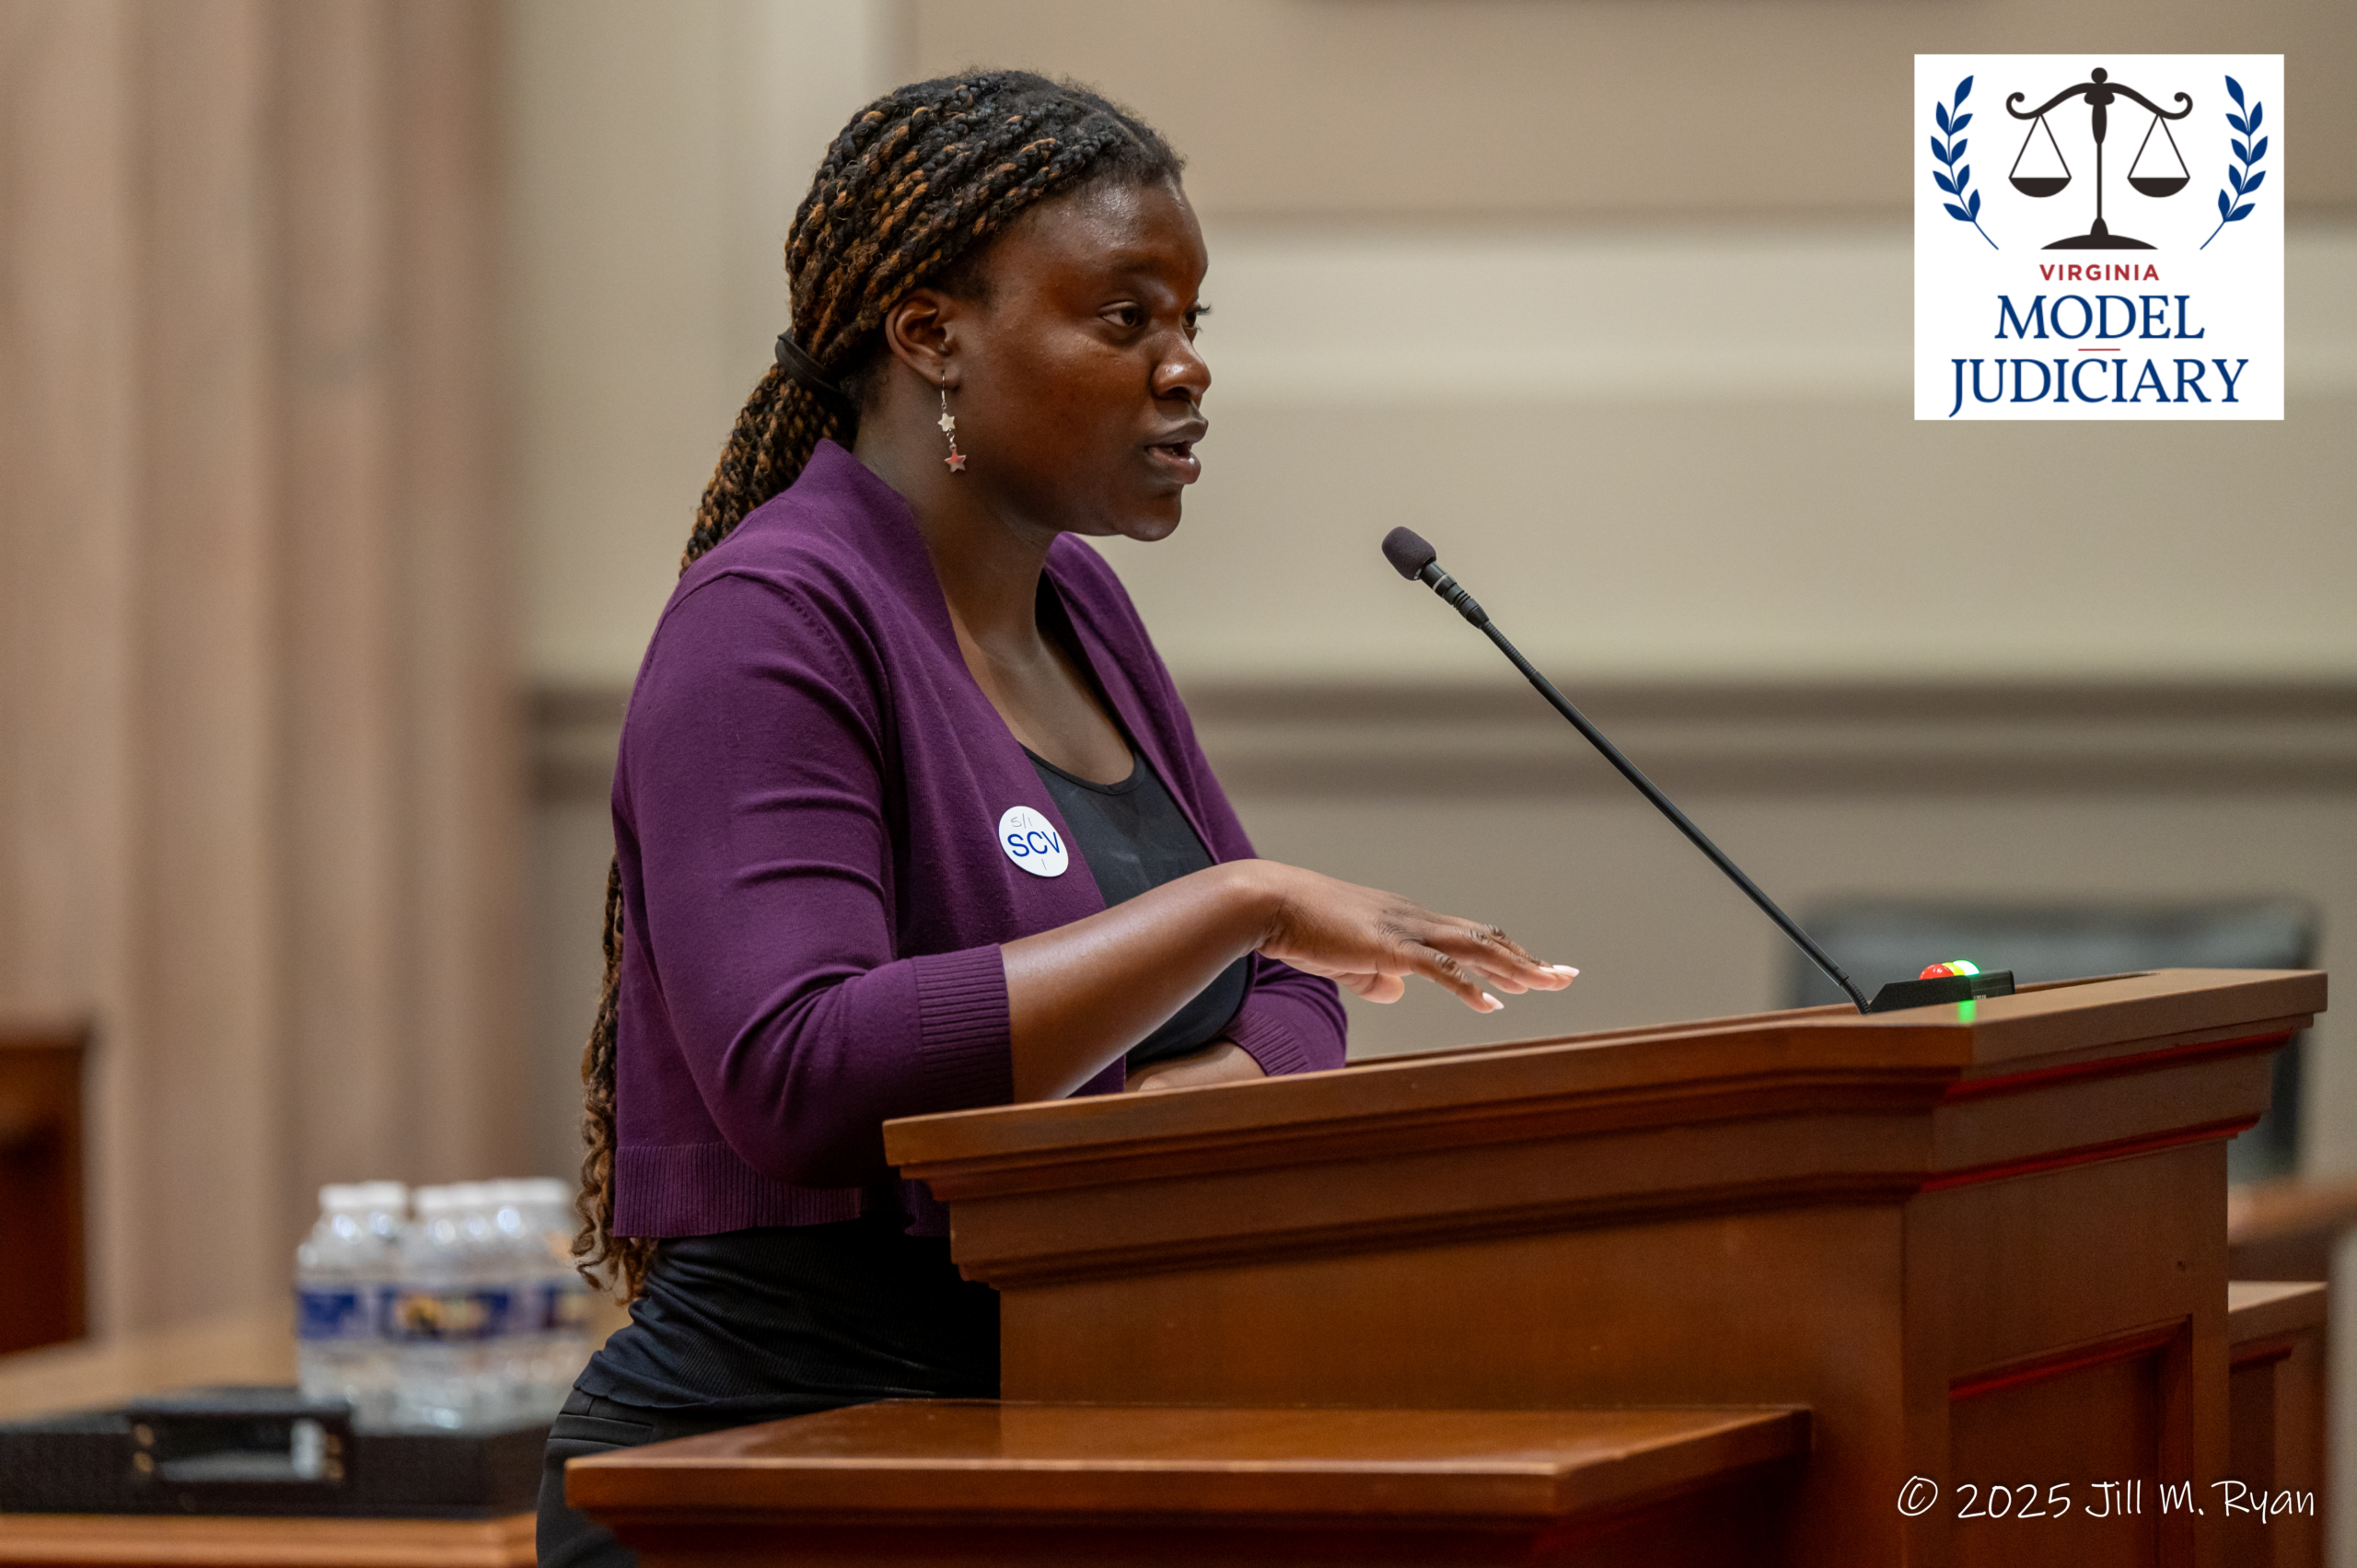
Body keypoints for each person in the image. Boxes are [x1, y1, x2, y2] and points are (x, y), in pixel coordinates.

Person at [536, 70, 1575, 1567]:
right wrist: (1238, 905)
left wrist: (1161, 1101)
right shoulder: (769, 621)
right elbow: (801, 1070)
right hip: (764, 1466)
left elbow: (1284, 1001)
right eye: (1124, 317)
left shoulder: (1076, 602)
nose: (1185, 370)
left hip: (1039, 1420)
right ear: (929, 333)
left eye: (1192, 325)